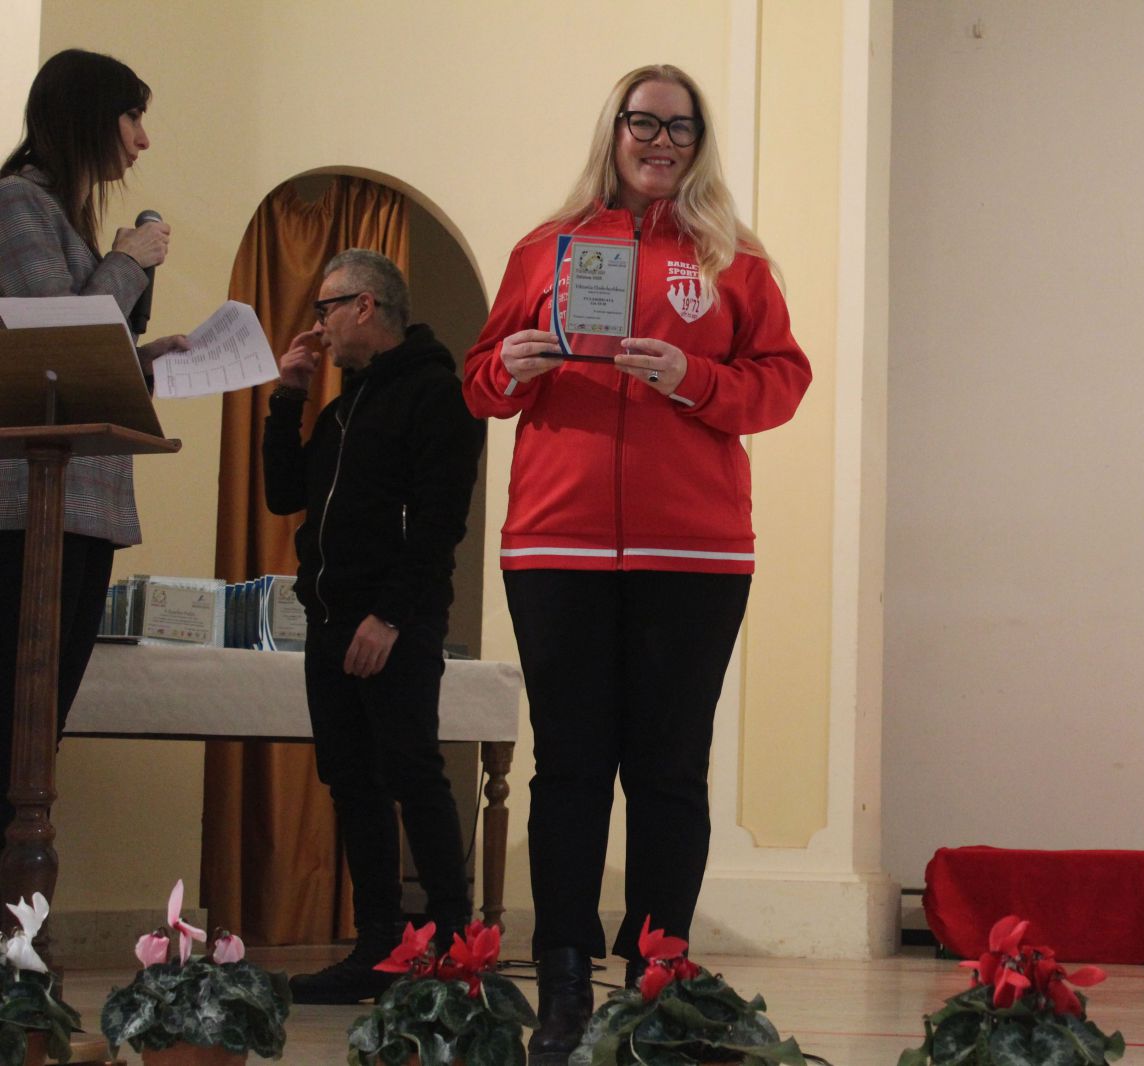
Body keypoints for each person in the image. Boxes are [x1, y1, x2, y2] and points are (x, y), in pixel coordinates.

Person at [461, 64, 811, 1059]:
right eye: (644, 123)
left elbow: (782, 381)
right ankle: (565, 981)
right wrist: (510, 367)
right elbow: (480, 382)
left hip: (694, 549)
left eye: (680, 127)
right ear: (613, 131)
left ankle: (659, 986)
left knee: (668, 770)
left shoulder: (734, 258)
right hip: (555, 539)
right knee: (570, 766)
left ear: (700, 142)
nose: (661, 142)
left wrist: (693, 377)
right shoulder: (544, 248)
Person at [262, 249, 485, 1003]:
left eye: (325, 309)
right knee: (352, 783)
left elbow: (439, 523)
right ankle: (378, 946)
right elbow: (282, 493)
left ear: (365, 306)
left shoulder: (436, 395)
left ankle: (455, 947)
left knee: (414, 774)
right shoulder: (342, 408)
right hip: (331, 622)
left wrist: (388, 615)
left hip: (396, 622)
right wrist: (288, 398)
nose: (318, 326)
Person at [0, 49, 187, 839]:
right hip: (30, 505)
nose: (142, 139)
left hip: (84, 507)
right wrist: (124, 261)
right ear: (88, 115)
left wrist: (146, 358)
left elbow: (80, 353)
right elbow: (53, 339)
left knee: (39, 737)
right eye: (132, 116)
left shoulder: (62, 217)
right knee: (16, 733)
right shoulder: (18, 202)